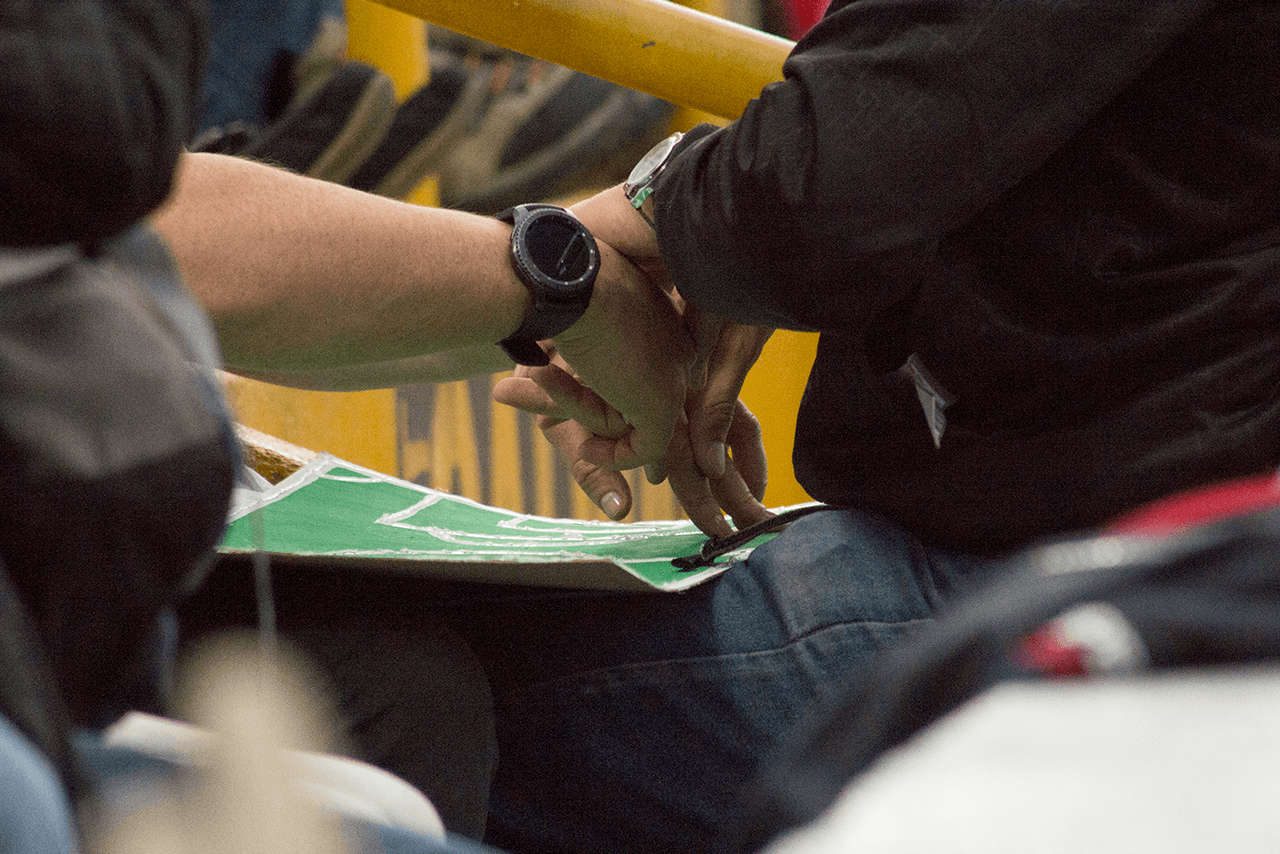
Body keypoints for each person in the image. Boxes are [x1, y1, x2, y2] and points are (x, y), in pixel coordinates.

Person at [432, 1, 1280, 851]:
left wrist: (597, 251)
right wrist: (722, 228)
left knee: (378, 686)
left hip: (1158, 584)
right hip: (1164, 549)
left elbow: (816, 183)